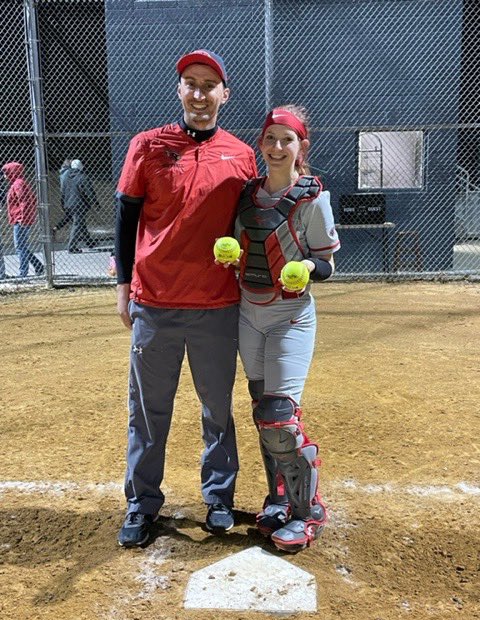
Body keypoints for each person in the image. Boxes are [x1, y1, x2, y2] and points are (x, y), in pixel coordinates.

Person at [114, 49, 257, 547]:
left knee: (216, 406)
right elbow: (127, 217)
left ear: (224, 94)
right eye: (191, 83)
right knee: (149, 410)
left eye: (209, 85)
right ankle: (141, 503)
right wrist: (122, 286)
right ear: (179, 90)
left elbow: (249, 223)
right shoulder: (148, 146)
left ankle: (218, 497)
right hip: (154, 299)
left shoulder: (240, 154)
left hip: (217, 305)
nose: (200, 94)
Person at [228, 105, 340, 552]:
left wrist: (309, 267)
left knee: (279, 416)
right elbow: (240, 245)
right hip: (248, 313)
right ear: (261, 144)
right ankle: (278, 498)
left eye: (286, 140)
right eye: (270, 139)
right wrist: (229, 255)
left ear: (301, 147)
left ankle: (308, 511)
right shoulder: (246, 195)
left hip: (290, 315)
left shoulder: (313, 198)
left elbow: (328, 261)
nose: (277, 148)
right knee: (263, 411)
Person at [2, 162, 44, 278]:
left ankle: (23, 273)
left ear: (13, 172)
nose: (4, 175)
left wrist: (23, 218)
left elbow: (24, 201)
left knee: (20, 247)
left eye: (6, 172)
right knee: (22, 246)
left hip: (21, 220)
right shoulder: (17, 183)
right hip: (21, 219)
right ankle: (38, 265)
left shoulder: (18, 184)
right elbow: (32, 199)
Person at [54, 159, 99, 253]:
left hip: (68, 204)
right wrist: (96, 203)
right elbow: (89, 191)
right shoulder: (82, 177)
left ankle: (89, 242)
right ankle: (72, 247)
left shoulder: (65, 178)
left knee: (80, 223)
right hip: (79, 205)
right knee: (77, 224)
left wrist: (63, 204)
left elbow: (63, 192)